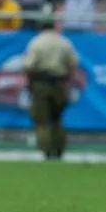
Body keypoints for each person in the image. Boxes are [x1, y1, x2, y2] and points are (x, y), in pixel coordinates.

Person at [23, 16, 79, 161]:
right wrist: (67, 83)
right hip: (60, 82)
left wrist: (29, 84)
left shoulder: (36, 42)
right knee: (57, 118)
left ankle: (46, 150)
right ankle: (59, 149)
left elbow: (29, 66)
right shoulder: (64, 42)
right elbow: (72, 65)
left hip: (41, 82)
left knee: (41, 119)